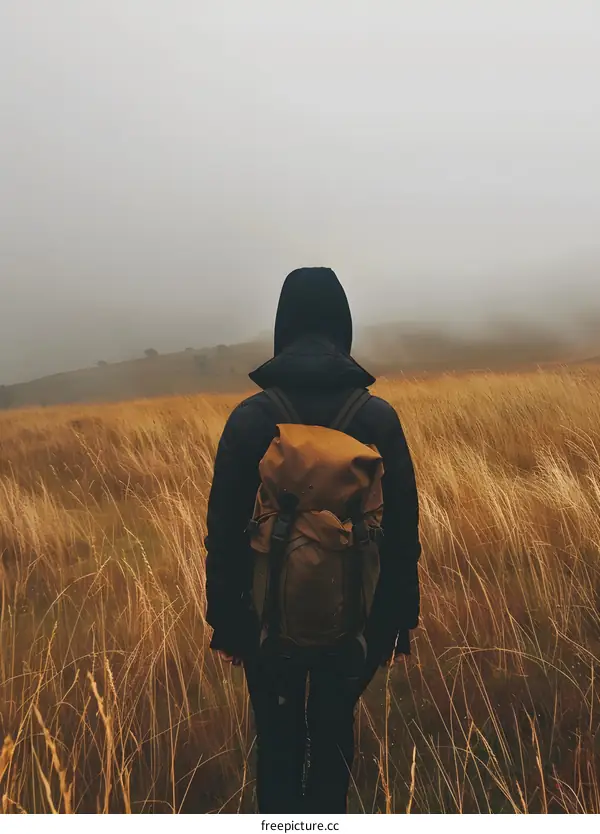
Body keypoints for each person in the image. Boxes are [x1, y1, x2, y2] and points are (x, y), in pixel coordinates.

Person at [205, 267, 421, 813]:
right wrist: (397, 622)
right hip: (357, 627)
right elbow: (401, 535)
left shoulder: (250, 419)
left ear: (284, 327)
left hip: (264, 626)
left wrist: (227, 623)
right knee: (333, 739)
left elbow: (223, 533)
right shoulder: (378, 418)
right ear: (342, 327)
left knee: (276, 744)